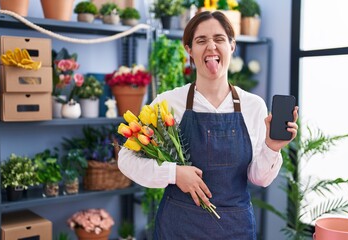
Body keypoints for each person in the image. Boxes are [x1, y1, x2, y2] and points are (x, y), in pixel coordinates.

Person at [118, 11, 299, 240]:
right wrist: (174, 173)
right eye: (201, 40)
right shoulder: (168, 103)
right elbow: (126, 159)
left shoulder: (253, 106)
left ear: (232, 46)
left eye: (219, 39)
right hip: (179, 228)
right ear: (189, 51)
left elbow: (259, 178)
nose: (211, 46)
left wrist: (272, 147)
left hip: (235, 229)